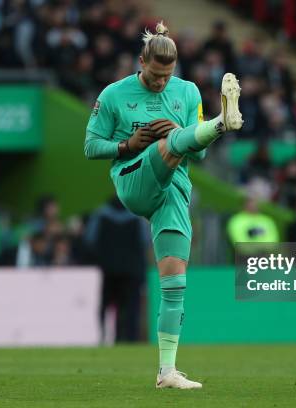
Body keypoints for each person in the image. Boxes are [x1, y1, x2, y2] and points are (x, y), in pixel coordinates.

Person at [84, 21, 242, 389]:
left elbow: (198, 158)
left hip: (174, 189)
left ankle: (166, 372)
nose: (160, 83)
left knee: (174, 284)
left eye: (166, 76)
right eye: (155, 75)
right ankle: (223, 122)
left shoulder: (186, 93)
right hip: (133, 177)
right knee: (164, 146)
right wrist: (127, 145)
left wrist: (176, 130)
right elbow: (91, 146)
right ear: (141, 62)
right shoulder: (113, 95)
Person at [84, 195, 150, 343]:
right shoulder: (137, 216)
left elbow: (90, 239)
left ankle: (103, 336)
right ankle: (130, 338)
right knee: (131, 307)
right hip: (132, 269)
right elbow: (145, 241)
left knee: (106, 305)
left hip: (108, 269)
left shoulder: (100, 215)